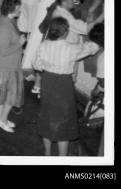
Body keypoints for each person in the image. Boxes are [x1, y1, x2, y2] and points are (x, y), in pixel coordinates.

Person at [32, 17, 100, 156]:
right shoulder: (71, 48)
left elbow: (36, 65)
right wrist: (98, 37)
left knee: (47, 115)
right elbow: (92, 48)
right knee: (64, 119)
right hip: (63, 85)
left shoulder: (44, 45)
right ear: (65, 32)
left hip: (48, 81)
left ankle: (47, 153)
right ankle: (62, 158)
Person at [0, 0, 26, 133]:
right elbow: (4, 50)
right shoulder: (4, 27)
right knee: (10, 96)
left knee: (2, 95)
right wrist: (19, 44)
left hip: (4, 65)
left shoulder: (8, 21)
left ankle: (0, 118)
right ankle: (2, 120)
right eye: (18, 8)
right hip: (6, 66)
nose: (20, 10)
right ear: (12, 9)